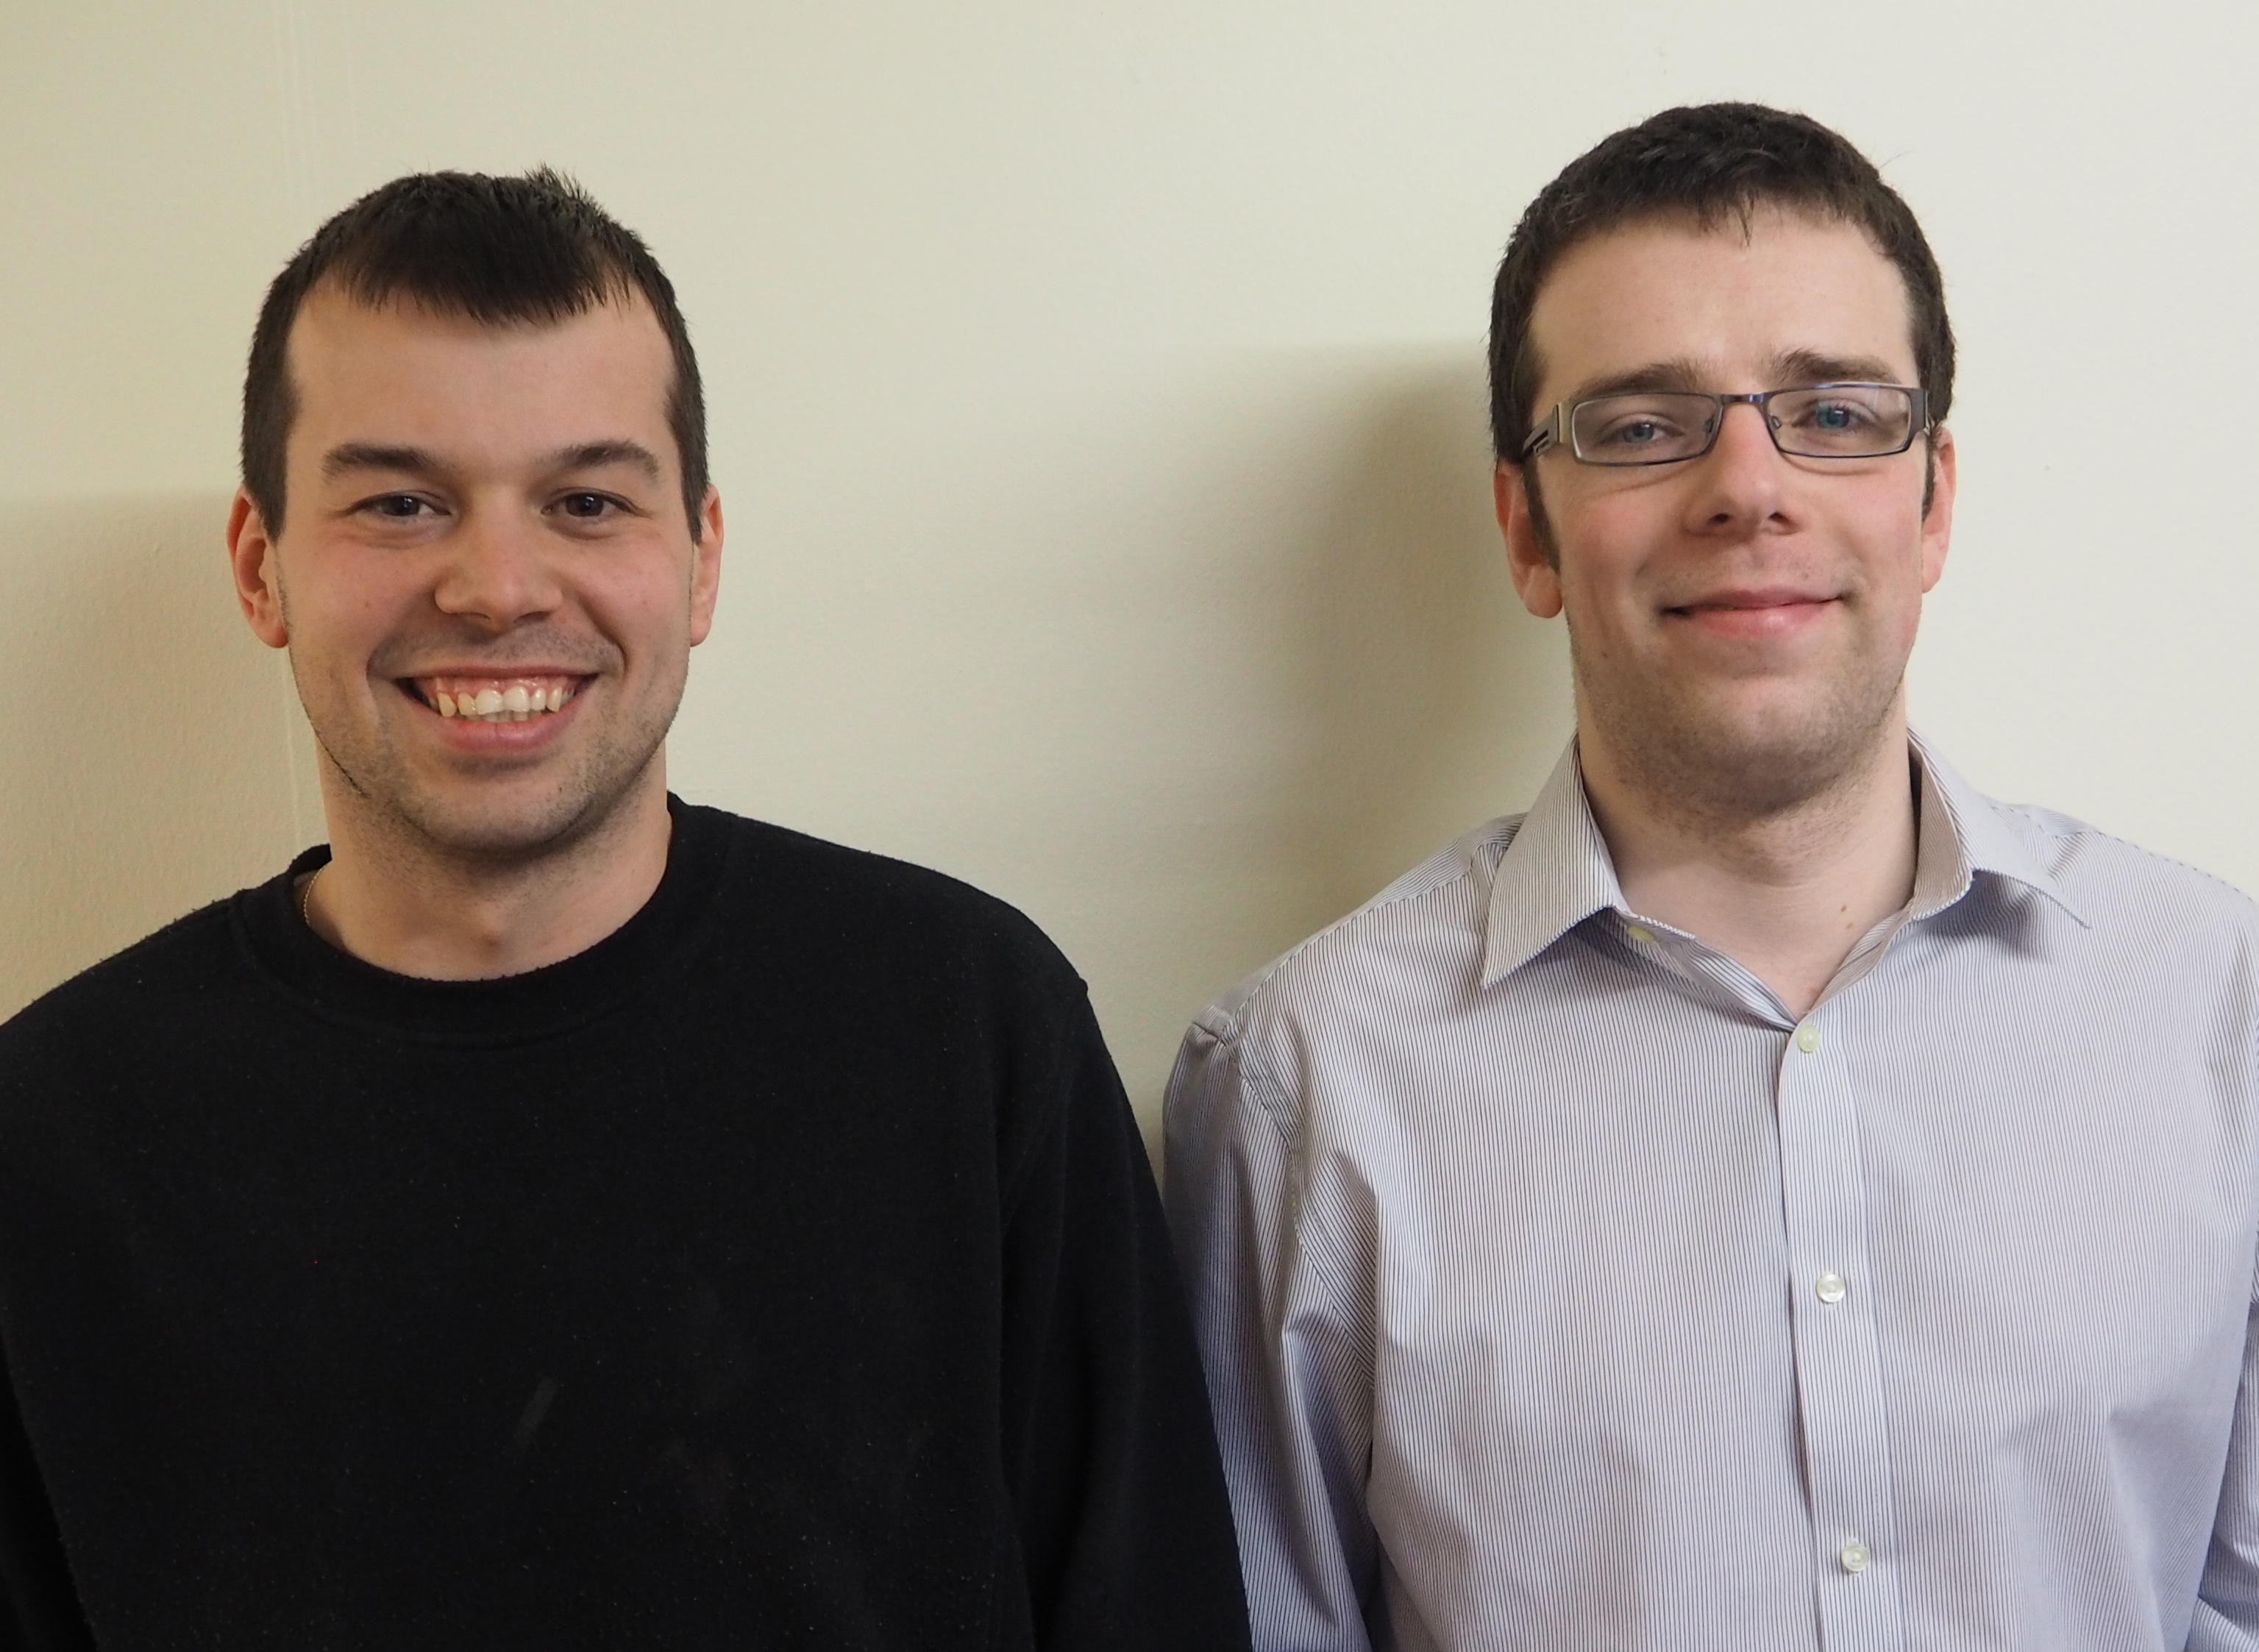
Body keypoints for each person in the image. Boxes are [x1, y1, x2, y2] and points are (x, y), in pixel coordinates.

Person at [0, 168, 1248, 1651]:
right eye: (399, 503)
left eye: (586, 501)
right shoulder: (53, 1132)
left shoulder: (966, 1028)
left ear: (701, 558)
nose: (497, 586)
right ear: (261, 566)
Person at [1164, 102, 2259, 1652]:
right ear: (1527, 531)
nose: (1750, 485)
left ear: (1933, 503)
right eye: (1640, 426)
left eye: (1836, 413)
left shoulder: (2216, 1006)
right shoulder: (1302, 1083)